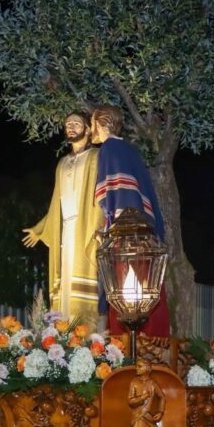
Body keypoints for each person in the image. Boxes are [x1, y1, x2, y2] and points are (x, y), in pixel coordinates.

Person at [89, 104, 170, 337]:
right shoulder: (129, 150)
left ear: (101, 123)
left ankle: (128, 356)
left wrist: (115, 230)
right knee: (150, 289)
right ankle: (155, 350)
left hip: (127, 240)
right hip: (147, 238)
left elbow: (118, 195)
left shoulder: (109, 149)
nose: (91, 129)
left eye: (93, 123)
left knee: (124, 293)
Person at [22, 110, 103, 322]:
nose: (71, 127)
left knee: (84, 283)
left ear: (87, 128)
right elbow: (55, 204)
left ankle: (87, 338)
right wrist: (40, 229)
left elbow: (104, 194)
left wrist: (101, 227)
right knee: (65, 284)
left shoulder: (97, 157)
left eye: (76, 123)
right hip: (65, 229)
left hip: (86, 228)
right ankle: (64, 336)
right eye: (68, 124)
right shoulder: (62, 163)